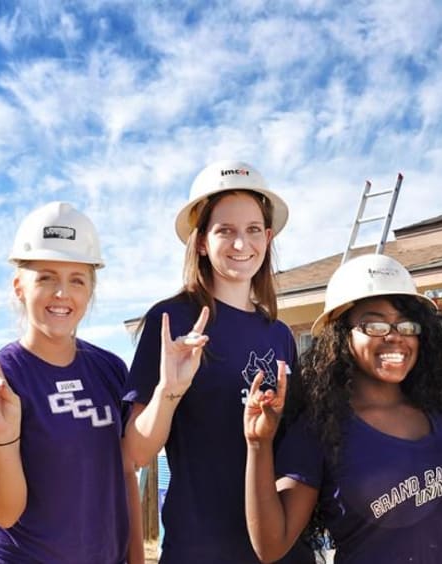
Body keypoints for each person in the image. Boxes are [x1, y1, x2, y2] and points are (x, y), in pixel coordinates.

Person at [244, 253, 442, 563]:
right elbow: (271, 546)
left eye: (407, 325)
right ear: (341, 336)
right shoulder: (321, 429)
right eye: (373, 325)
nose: (394, 337)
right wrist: (258, 444)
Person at [123, 160, 310, 563]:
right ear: (202, 241)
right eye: (225, 230)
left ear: (268, 236)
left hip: (279, 551)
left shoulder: (279, 334)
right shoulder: (171, 320)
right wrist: (169, 392)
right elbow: (135, 453)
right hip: (201, 551)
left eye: (253, 230)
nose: (241, 244)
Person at [0, 201, 144, 564]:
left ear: (91, 289)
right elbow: (4, 513)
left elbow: (125, 475)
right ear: (19, 287)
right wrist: (4, 435)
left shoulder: (111, 371)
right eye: (46, 277)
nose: (62, 293)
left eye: (77, 279)